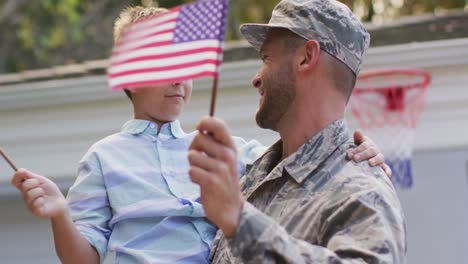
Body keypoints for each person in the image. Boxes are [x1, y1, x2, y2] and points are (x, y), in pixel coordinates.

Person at [11, 4, 390, 264]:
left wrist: (360, 152)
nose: (179, 76)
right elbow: (85, 256)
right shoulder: (104, 159)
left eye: (184, 62)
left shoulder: (230, 153)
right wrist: (60, 214)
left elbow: (313, 158)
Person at [188, 0, 407, 263]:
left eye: (267, 58)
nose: (256, 78)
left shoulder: (363, 192)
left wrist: (241, 221)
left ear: (306, 57)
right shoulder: (251, 180)